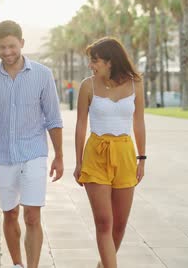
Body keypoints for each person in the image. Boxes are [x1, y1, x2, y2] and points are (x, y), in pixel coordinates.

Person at [0, 20, 64, 268]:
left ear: (22, 44)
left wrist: (59, 156)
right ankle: (17, 264)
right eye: (2, 47)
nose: (7, 52)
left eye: (11, 46)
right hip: (2, 156)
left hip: (34, 153)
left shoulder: (43, 75)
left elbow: (54, 119)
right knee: (10, 213)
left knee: (32, 215)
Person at [73, 37, 146, 268]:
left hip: (125, 154)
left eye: (95, 61)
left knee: (120, 225)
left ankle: (103, 265)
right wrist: (78, 162)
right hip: (96, 154)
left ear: (110, 61)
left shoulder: (136, 84)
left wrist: (141, 159)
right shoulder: (88, 86)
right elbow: (80, 125)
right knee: (104, 223)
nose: (91, 65)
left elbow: (139, 123)